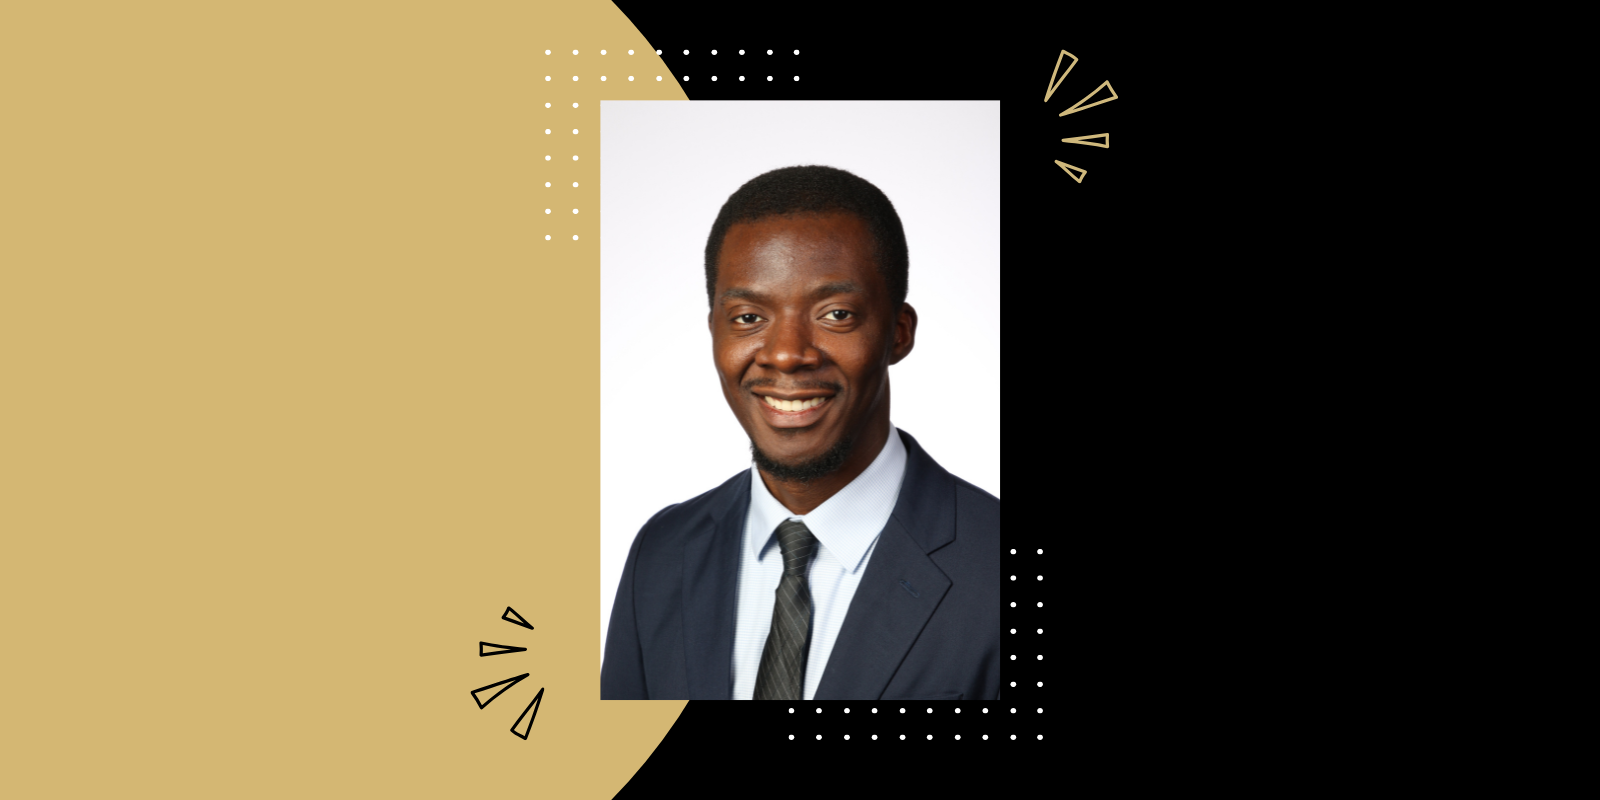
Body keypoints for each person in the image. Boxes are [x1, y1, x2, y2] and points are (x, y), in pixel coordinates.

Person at [601, 165, 1000, 700]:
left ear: (898, 335)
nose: (787, 353)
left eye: (836, 314)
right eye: (747, 318)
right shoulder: (662, 552)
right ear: (713, 331)